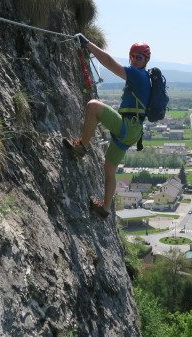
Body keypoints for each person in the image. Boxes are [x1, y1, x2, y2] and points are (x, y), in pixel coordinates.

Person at [64, 33, 151, 220]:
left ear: (146, 60)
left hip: (128, 126)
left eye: (139, 57)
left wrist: (87, 44)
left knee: (93, 106)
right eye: (133, 56)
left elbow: (110, 63)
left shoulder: (137, 74)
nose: (134, 60)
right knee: (109, 169)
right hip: (133, 131)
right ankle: (105, 208)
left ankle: (81, 147)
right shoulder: (145, 77)